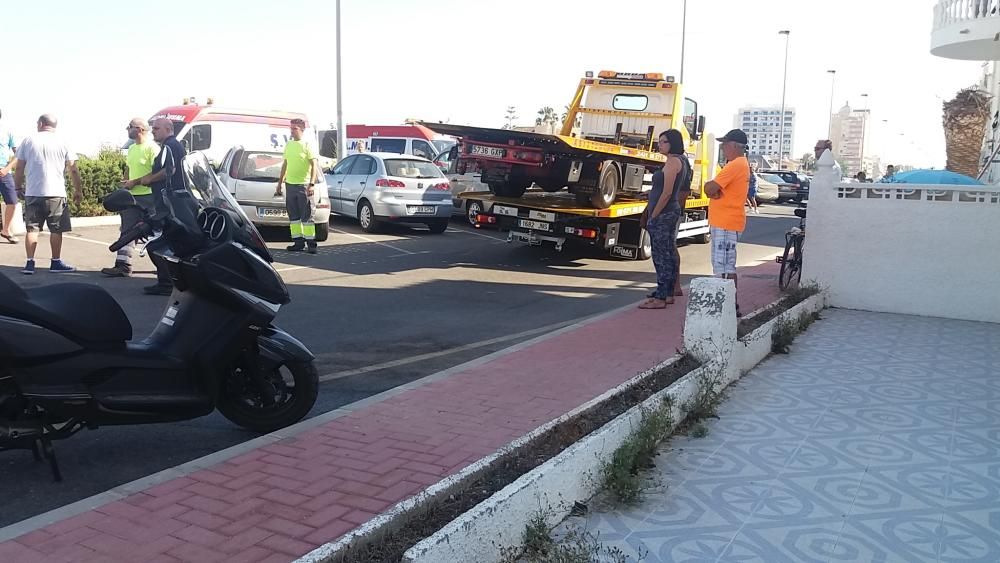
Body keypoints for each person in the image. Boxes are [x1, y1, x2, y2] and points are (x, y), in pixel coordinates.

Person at [121, 118, 186, 295]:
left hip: (168, 201)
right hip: (165, 200)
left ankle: (167, 282)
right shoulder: (168, 146)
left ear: (168, 128)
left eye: (156, 128)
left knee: (158, 243)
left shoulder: (170, 146)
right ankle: (166, 280)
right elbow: (164, 169)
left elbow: (170, 170)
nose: (154, 131)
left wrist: (150, 179)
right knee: (163, 239)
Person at [13, 114, 84, 275]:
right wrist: (78, 190)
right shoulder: (63, 141)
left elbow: (19, 167)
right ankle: (55, 261)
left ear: (40, 123)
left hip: (33, 192)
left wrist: (17, 187)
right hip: (56, 192)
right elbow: (73, 168)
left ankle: (30, 263)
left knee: (32, 229)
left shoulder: (28, 141)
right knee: (56, 229)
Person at [640, 129, 691, 309]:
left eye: (663, 142)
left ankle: (660, 297)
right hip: (671, 211)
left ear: (673, 143)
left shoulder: (672, 162)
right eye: (659, 141)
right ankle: (667, 293)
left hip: (664, 213)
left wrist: (654, 215)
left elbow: (667, 192)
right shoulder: (680, 161)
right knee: (668, 252)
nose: (659, 145)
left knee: (660, 255)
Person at [102, 118, 159, 277]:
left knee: (155, 231)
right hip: (131, 197)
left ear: (140, 129)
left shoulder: (152, 148)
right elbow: (129, 167)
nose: (127, 129)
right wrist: (126, 181)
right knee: (127, 230)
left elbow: (157, 172)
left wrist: (136, 181)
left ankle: (165, 266)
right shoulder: (133, 148)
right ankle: (123, 265)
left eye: (130, 127)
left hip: (150, 196)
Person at [704, 129, 751, 315]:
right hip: (729, 221)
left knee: (722, 266)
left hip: (726, 222)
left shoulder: (735, 165)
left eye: (724, 144)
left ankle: (726, 306)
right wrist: (714, 190)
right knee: (727, 264)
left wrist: (713, 189)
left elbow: (710, 188)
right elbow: (713, 189)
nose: (722, 148)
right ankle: (731, 304)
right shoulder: (741, 164)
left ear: (734, 145)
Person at [275, 118, 320, 254]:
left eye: (294, 128)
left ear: (302, 130)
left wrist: (311, 184)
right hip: (290, 185)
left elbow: (314, 166)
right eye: (291, 128)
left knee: (307, 216)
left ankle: (311, 243)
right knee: (293, 217)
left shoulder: (307, 145)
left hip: (304, 185)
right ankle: (298, 242)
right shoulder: (289, 145)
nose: (291, 131)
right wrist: (280, 182)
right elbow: (285, 164)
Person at [0, 110, 19, 244]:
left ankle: (6, 230)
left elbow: (18, 155)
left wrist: (7, 168)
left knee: (12, 201)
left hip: (4, 171)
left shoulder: (8, 132)